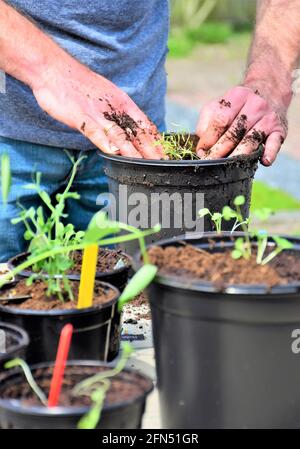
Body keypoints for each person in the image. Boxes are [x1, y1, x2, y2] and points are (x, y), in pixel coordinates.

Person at [0, 0, 298, 261]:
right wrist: (50, 71)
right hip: (8, 133)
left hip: (142, 153)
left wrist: (270, 79)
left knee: (143, 303)